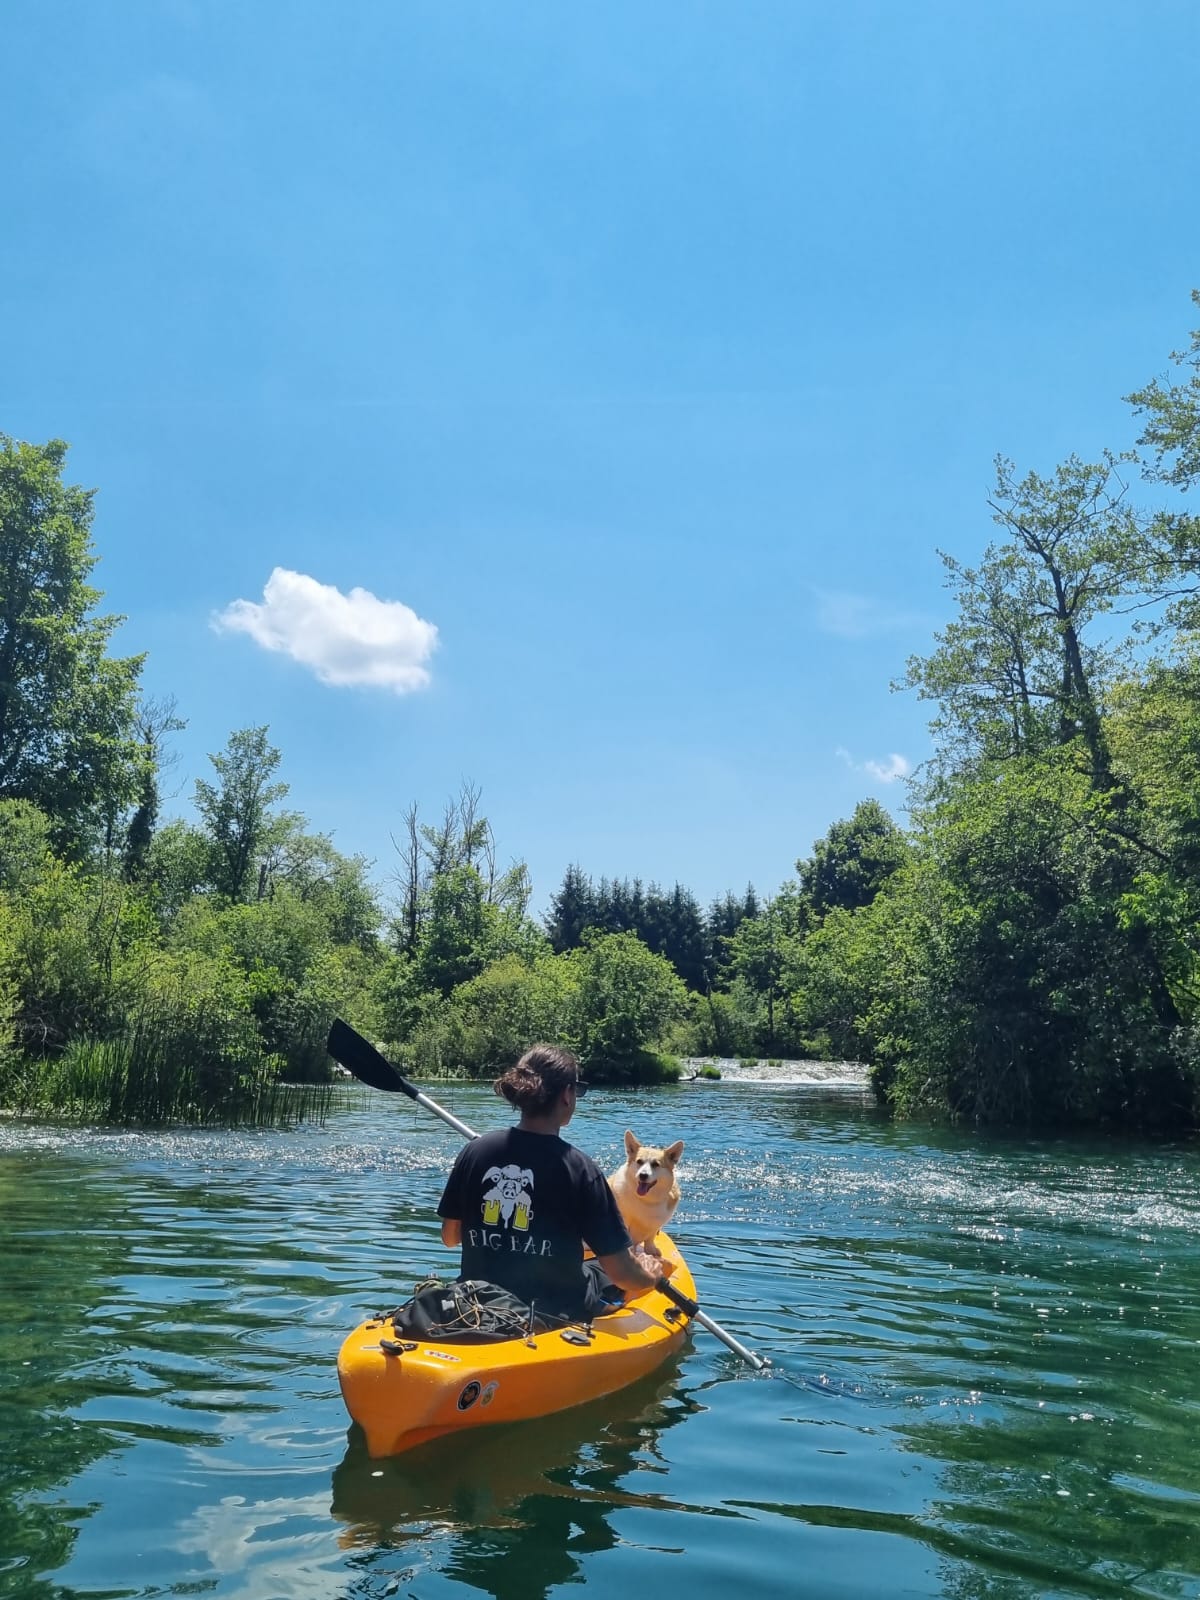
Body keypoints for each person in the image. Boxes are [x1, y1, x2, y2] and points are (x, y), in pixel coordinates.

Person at [437, 1043, 662, 1322]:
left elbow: (450, 1238)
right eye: (577, 1089)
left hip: (476, 1302)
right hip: (552, 1313)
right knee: (607, 1273)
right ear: (567, 1095)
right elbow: (624, 1275)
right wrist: (650, 1275)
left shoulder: (474, 1152)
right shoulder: (581, 1169)